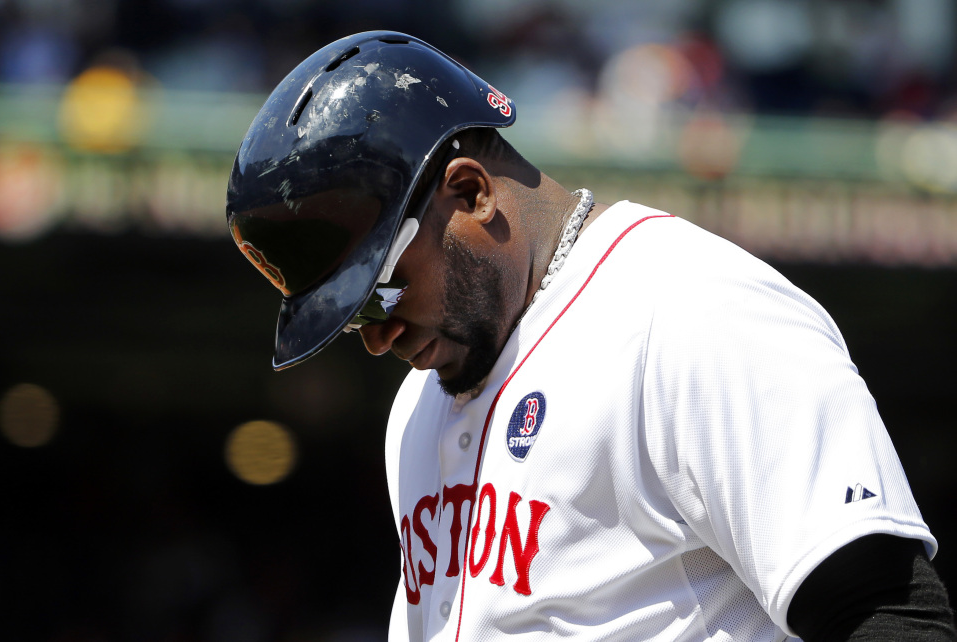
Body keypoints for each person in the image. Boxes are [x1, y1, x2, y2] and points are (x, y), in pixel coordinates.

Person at [226, 31, 955, 641]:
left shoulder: (689, 309)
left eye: (378, 293)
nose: (376, 338)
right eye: (353, 319)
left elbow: (888, 615)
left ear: (471, 192)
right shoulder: (416, 412)